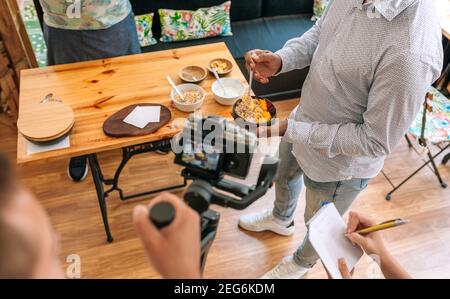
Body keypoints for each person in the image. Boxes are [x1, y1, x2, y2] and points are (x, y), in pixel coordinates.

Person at [237, 0, 443, 278]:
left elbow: (375, 141)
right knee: (283, 175)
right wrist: (283, 59)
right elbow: (322, 32)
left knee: (319, 226)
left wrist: (291, 129)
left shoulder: (410, 54)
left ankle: (301, 263)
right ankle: (281, 219)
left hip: (339, 166)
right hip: (302, 119)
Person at [38, 0, 141, 181]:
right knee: (70, 91)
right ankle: (79, 146)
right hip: (61, 25)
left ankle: (144, 126)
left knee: (127, 82)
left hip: (111, 19)